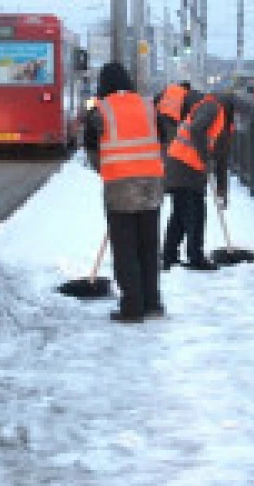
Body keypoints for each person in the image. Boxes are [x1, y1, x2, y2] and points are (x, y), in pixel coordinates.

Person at [83, 62, 166, 323]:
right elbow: (162, 139)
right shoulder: (148, 106)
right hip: (151, 186)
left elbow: (91, 150)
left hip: (119, 187)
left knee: (126, 249)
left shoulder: (100, 111)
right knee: (149, 248)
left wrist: (108, 170)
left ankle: (132, 306)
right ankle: (152, 303)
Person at [160, 92, 234, 271]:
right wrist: (205, 158)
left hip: (184, 166)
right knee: (195, 213)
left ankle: (169, 255)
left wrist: (222, 190)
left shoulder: (224, 123)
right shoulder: (212, 107)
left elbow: (222, 159)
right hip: (184, 165)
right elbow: (195, 129)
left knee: (180, 213)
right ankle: (195, 257)